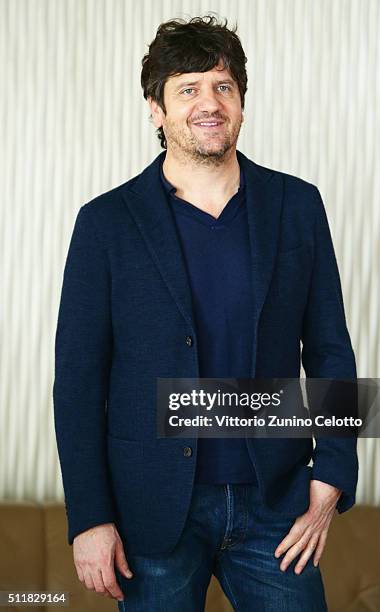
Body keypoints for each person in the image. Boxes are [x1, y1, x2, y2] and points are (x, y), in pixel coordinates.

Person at [53, 15, 358, 612]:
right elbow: (79, 382)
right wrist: (88, 517)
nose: (208, 103)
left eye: (222, 86)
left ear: (242, 101)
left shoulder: (297, 205)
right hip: (152, 512)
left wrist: (333, 475)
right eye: (186, 88)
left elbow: (330, 349)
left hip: (277, 505)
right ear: (156, 108)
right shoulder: (105, 224)